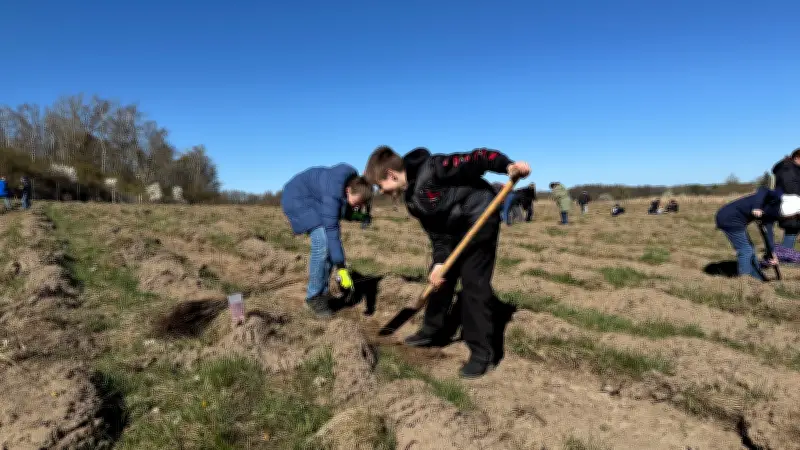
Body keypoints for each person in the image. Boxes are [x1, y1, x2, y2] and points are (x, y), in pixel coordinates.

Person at [364, 146, 531, 378]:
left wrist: (507, 166)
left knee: (474, 284)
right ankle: (433, 331)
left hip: (479, 219)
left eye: (379, 186)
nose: (380, 192)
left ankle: (483, 354)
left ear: (391, 175)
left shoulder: (435, 168)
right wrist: (440, 262)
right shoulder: (412, 201)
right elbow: (437, 235)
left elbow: (478, 158)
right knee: (440, 279)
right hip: (452, 232)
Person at [281, 164, 373, 317]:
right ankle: (314, 297)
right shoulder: (333, 190)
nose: (359, 206)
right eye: (358, 203)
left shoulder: (350, 185)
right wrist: (342, 267)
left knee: (330, 247)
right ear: (348, 190)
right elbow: (332, 229)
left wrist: (359, 216)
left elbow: (342, 210)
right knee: (323, 241)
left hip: (313, 200)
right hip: (297, 199)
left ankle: (322, 293)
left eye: (362, 204)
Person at [715, 187, 800, 280]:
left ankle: (758, 279)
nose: (793, 218)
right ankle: (744, 281)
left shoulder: (774, 214)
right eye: (795, 215)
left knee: (750, 250)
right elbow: (762, 190)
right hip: (728, 218)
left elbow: (768, 233)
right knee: (746, 250)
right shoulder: (777, 197)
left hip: (736, 220)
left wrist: (772, 252)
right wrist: (757, 207)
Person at [772, 148, 800, 248]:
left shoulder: (791, 168)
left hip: (792, 202)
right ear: (797, 158)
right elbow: (790, 187)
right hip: (790, 203)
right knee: (792, 228)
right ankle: (785, 253)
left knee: (793, 228)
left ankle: (785, 252)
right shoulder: (787, 168)